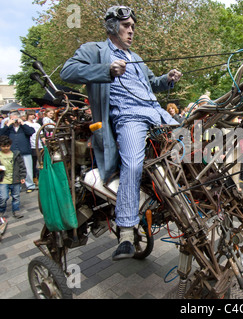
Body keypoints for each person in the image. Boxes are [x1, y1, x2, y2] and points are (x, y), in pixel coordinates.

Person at [60, 5, 182, 261]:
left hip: (157, 114)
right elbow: (67, 71)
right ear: (112, 26)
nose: (131, 31)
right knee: (133, 164)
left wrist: (167, 78)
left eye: (133, 27)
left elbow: (153, 84)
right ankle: (126, 232)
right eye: (126, 26)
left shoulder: (136, 56)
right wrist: (106, 71)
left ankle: (190, 202)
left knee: (190, 144)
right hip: (129, 118)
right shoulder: (95, 50)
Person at [0, 111, 36, 193]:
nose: (15, 121)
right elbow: (1, 133)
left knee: (28, 169)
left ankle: (30, 185)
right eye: (13, 119)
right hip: (12, 152)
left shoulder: (24, 127)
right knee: (13, 170)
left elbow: (31, 131)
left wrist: (22, 123)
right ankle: (14, 187)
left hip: (24, 151)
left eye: (16, 118)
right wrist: (8, 124)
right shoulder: (8, 129)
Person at [0, 136, 27, 219]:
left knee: (16, 196)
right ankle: (1, 210)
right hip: (3, 180)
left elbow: (22, 166)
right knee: (3, 197)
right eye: (3, 146)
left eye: (7, 146)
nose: (6, 148)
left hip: (15, 178)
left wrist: (22, 176)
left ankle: (16, 210)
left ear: (10, 145)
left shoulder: (16, 154)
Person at [24, 111, 43, 186]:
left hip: (39, 145)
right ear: (27, 116)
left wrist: (43, 141)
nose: (32, 116)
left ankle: (40, 177)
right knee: (33, 163)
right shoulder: (25, 124)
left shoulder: (37, 124)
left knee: (41, 162)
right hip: (31, 145)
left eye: (33, 115)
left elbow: (41, 134)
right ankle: (34, 178)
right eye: (30, 115)